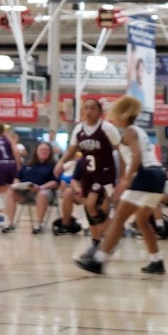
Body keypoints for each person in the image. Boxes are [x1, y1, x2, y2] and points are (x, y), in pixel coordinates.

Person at [77, 96, 166, 275]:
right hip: (159, 176)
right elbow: (131, 157)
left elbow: (137, 156)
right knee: (142, 220)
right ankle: (156, 261)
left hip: (145, 175)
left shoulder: (130, 131)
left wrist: (126, 180)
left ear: (122, 115)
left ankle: (99, 260)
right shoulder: (138, 131)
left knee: (118, 219)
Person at [52, 98, 121, 261]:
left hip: (105, 173)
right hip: (88, 174)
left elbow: (121, 149)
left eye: (92, 108)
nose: (88, 111)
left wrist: (124, 174)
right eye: (86, 108)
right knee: (90, 208)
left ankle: (111, 237)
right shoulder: (79, 129)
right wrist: (61, 162)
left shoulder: (107, 128)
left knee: (91, 204)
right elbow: (71, 150)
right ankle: (97, 243)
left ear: (99, 112)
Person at [3, 142, 59, 234]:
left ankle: (39, 225)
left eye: (46, 150)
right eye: (41, 149)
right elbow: (18, 177)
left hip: (44, 192)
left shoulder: (53, 166)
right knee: (10, 191)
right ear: (36, 151)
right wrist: (16, 185)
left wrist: (41, 187)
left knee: (42, 194)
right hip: (26, 192)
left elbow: (55, 182)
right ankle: (10, 223)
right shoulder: (28, 164)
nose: (44, 152)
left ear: (50, 153)